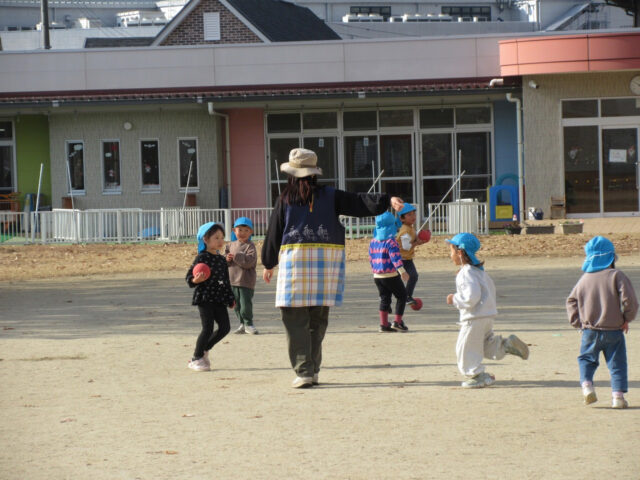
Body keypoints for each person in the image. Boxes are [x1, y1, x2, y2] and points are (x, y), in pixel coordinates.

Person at [262, 147, 405, 388]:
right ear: (313, 174)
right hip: (325, 266)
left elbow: (274, 232)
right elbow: (358, 202)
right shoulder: (331, 196)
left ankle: (304, 370)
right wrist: (387, 199)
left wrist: (268, 262)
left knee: (294, 319)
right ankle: (313, 369)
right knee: (317, 320)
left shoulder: (285, 199)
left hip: (294, 266)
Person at [445, 232, 529, 388]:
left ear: (460, 252)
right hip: (487, 316)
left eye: (451, 251)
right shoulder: (480, 272)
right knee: (484, 345)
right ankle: (505, 345)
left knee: (465, 348)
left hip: (473, 318)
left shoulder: (466, 273)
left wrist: (454, 299)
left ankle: (477, 375)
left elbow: (471, 297)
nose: (450, 256)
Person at [566, 236, 638, 408]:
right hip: (614, 330)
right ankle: (618, 397)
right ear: (611, 257)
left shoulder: (584, 279)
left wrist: (578, 323)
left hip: (589, 330)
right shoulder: (617, 276)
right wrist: (626, 318)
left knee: (586, 359)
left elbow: (571, 301)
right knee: (617, 363)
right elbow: (630, 301)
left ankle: (587, 386)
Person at [186, 222, 236, 372]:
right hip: (205, 298)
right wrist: (196, 280)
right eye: (216, 238)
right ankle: (196, 358)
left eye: (222, 237)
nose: (220, 241)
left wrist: (230, 298)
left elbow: (225, 281)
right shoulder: (201, 258)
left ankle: (204, 350)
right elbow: (189, 278)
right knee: (207, 328)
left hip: (219, 299)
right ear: (205, 239)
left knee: (225, 328)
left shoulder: (221, 260)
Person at [370, 211, 410, 332]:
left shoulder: (373, 242)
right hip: (390, 274)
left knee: (385, 298)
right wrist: (402, 271)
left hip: (377, 275)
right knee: (402, 296)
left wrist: (374, 270)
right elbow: (395, 258)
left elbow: (371, 258)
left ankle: (383, 324)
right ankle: (397, 322)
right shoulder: (391, 242)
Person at [226, 217, 258, 335]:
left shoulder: (250, 246)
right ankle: (242, 323)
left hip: (246, 281)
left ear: (251, 232)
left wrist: (236, 256)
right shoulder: (230, 245)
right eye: (240, 230)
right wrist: (227, 259)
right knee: (236, 305)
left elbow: (249, 262)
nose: (243, 233)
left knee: (245, 305)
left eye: (246, 230)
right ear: (234, 231)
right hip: (232, 280)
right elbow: (224, 260)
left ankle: (248, 323)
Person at [396, 203, 425, 306]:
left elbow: (414, 238)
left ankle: (407, 296)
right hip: (398, 260)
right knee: (393, 281)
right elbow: (406, 247)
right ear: (402, 218)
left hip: (407, 259)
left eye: (413, 214)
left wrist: (421, 238)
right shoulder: (404, 230)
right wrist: (417, 243)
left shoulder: (410, 227)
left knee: (413, 276)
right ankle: (386, 298)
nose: (413, 216)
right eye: (409, 215)